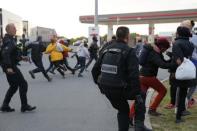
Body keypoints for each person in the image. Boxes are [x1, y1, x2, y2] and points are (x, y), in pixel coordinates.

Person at [92, 26, 151, 131]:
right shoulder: (129, 51)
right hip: (120, 88)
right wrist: (137, 94)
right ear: (127, 36)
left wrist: (100, 85)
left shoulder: (106, 49)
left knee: (122, 109)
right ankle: (139, 126)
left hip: (106, 87)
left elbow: (94, 70)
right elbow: (134, 75)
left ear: (117, 35)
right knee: (141, 96)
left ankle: (137, 126)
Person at [130, 37, 174, 119]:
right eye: (165, 48)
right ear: (161, 46)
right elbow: (162, 65)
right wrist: (174, 63)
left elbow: (164, 62)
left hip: (141, 76)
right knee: (163, 90)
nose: (165, 50)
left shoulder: (155, 52)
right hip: (148, 77)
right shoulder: (154, 53)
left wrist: (171, 59)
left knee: (141, 98)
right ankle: (152, 109)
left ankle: (130, 116)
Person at [0, 23, 36, 112]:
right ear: (8, 30)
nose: (16, 29)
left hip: (10, 65)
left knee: (13, 86)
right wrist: (8, 67)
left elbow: (12, 54)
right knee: (23, 84)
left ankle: (5, 105)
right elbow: (5, 54)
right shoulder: (8, 40)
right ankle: (24, 105)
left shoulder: (10, 39)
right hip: (10, 66)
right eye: (14, 28)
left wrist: (22, 58)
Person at [172, 26, 194, 123]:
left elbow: (178, 59)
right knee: (183, 93)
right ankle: (180, 114)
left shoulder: (177, 43)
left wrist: (178, 68)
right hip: (188, 71)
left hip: (180, 70)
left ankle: (178, 117)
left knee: (179, 94)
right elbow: (188, 56)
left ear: (179, 33)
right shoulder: (190, 44)